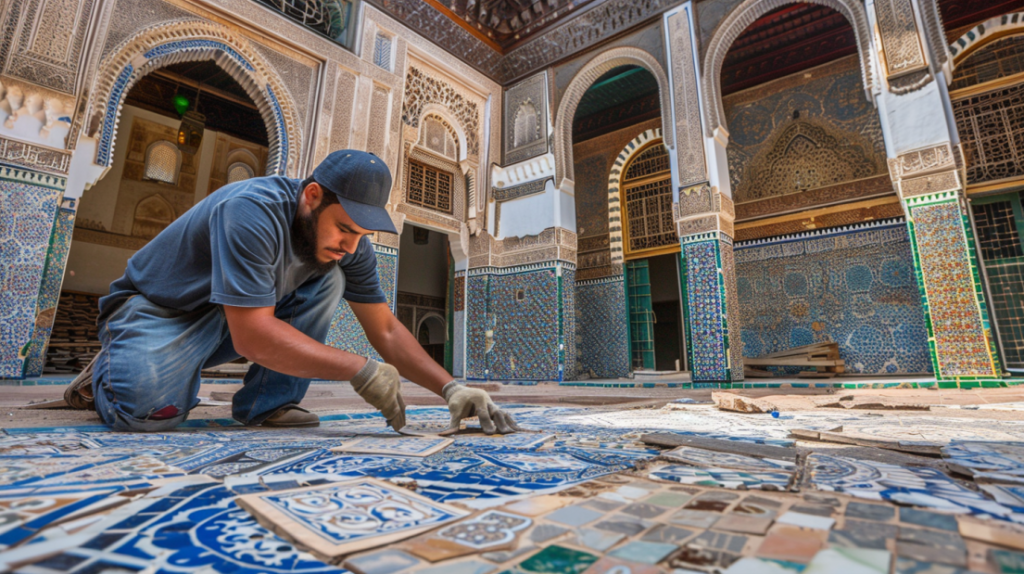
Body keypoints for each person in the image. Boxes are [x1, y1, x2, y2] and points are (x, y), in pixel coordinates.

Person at [63, 150, 519, 435]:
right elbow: (253, 337)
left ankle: (269, 404)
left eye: (361, 234)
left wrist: (451, 388)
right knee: (147, 415)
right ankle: (106, 373)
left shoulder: (348, 245)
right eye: (344, 229)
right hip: (157, 311)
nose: (350, 244)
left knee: (331, 277)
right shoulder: (251, 211)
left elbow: (385, 328)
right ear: (313, 196)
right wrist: (359, 370)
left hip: (230, 317)